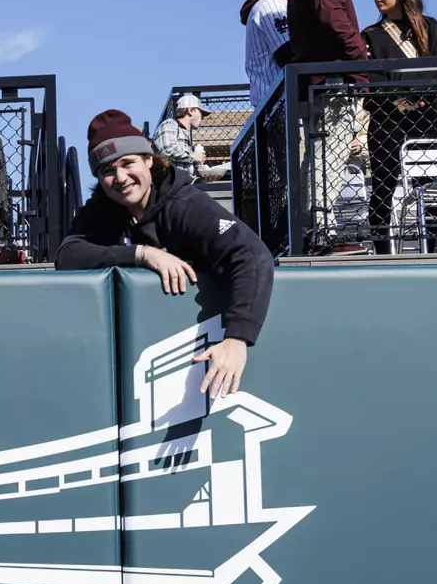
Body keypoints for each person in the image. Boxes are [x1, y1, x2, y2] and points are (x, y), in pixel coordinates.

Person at [55, 111, 273, 398]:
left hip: (211, 344)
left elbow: (252, 255)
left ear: (148, 159)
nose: (120, 178)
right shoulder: (107, 205)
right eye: (107, 170)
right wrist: (142, 254)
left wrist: (236, 339)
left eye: (127, 163)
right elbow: (68, 255)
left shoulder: (185, 204)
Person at [286, 0, 369, 242]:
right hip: (331, 78)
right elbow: (332, 15)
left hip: (322, 76)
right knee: (328, 155)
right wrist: (361, 57)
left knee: (323, 155)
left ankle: (317, 231)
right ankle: (321, 234)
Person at [359, 0, 437, 253]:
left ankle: (431, 249)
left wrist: (414, 96)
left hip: (427, 117)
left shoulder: (431, 27)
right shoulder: (370, 35)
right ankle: (383, 252)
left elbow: (436, 67)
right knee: (383, 186)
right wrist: (401, 100)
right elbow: (371, 80)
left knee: (428, 188)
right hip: (386, 121)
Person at [241, 0, 292, 106]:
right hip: (279, 105)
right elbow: (289, 54)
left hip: (272, 105)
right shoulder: (273, 3)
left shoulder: (265, 2)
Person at [153, 94, 230, 183]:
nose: (202, 118)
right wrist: (194, 156)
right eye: (201, 113)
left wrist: (202, 178)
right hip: (169, 185)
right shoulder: (170, 124)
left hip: (181, 187)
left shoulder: (185, 134)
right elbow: (166, 149)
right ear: (190, 110)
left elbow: (183, 167)